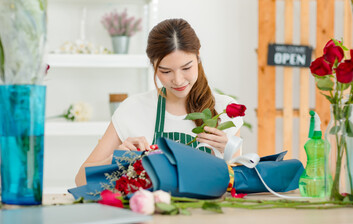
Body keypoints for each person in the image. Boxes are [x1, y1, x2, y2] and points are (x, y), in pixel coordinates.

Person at [75, 18, 243, 186]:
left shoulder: (224, 109)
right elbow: (81, 180)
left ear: (198, 58)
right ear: (153, 65)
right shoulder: (133, 109)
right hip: (152, 211)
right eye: (166, 71)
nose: (178, 80)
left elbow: (239, 181)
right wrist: (115, 159)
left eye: (186, 68)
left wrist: (228, 150)